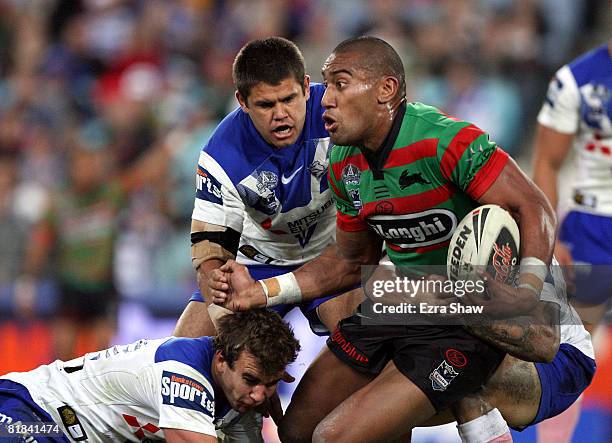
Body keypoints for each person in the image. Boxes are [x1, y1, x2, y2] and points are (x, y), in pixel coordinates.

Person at [209, 36, 595, 443]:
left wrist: (528, 290)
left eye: (340, 84)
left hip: (499, 329)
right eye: (326, 84)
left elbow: (533, 208)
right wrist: (263, 291)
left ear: (386, 91)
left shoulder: (442, 140)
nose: (325, 100)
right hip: (418, 313)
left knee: (335, 436)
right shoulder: (344, 164)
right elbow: (349, 261)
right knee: (297, 431)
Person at [173, 37, 363, 340]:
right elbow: (210, 247)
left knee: (365, 335)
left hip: (332, 256)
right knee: (182, 353)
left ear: (305, 86)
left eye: (288, 99)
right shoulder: (221, 154)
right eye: (265, 104)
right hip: (257, 262)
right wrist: (214, 281)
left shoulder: (338, 114)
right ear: (242, 101)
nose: (280, 114)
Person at [0, 309, 300, 442]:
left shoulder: (240, 403)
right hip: (34, 414)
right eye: (251, 380)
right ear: (221, 360)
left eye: (269, 384)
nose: (260, 395)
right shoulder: (184, 376)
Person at [531, 39, 612, 443]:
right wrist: (551, 235)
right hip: (590, 226)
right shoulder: (575, 80)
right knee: (568, 352)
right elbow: (546, 161)